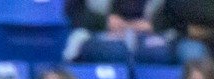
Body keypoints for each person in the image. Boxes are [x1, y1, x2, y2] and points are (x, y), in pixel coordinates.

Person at [66, 0, 202, 62]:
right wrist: (104, 22)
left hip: (156, 37)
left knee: (161, 52)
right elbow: (74, 12)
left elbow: (181, 14)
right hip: (101, 35)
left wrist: (153, 24)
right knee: (114, 51)